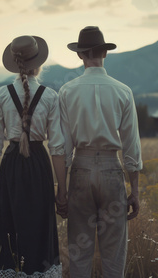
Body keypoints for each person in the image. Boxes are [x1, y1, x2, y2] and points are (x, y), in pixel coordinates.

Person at [58, 26, 142, 277]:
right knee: (113, 256)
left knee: (79, 255)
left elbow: (63, 148)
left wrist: (62, 192)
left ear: (79, 55)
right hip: (111, 171)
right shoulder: (123, 91)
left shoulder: (67, 91)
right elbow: (131, 146)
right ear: (104, 53)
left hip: (81, 171)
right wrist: (135, 190)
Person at [0, 35, 68, 277]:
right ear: (38, 64)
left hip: (10, 166)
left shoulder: (1, 95)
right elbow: (58, 149)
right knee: (39, 228)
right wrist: (62, 191)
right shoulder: (51, 96)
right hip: (39, 165)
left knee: (11, 229)